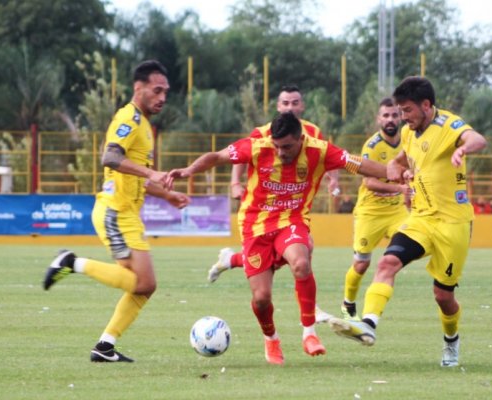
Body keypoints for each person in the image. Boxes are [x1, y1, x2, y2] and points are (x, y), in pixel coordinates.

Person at [166, 112, 387, 365]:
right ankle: (271, 338)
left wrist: (391, 172)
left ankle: (309, 333)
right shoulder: (257, 146)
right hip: (255, 225)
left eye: (288, 147)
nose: (281, 152)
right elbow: (217, 157)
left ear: (301, 139)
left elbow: (356, 164)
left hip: (292, 220)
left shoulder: (320, 150)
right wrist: (188, 170)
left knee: (301, 263)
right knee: (261, 299)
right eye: (277, 146)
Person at [329, 76, 487, 368]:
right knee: (386, 263)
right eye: (399, 111)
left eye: (407, 110)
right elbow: (399, 161)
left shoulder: (448, 125)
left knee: (443, 296)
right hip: (421, 219)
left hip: (453, 225)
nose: (403, 117)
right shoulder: (409, 133)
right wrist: (395, 170)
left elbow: (478, 139)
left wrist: (464, 149)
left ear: (426, 105)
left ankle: (451, 342)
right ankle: (368, 324)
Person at [42, 60, 190, 363]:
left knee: (141, 285)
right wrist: (152, 175)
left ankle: (105, 346)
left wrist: (167, 195)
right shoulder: (129, 119)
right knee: (145, 284)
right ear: (139, 88)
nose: (162, 97)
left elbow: (135, 175)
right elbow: (109, 157)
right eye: (157, 90)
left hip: (125, 214)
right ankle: (72, 262)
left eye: (166, 92)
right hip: (116, 212)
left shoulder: (145, 126)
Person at [209, 85, 339, 283]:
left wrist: (334, 178)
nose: (290, 107)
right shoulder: (262, 133)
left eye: (295, 103)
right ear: (278, 106)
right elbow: (242, 155)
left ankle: (233, 259)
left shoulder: (313, 131)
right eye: (285, 103)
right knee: (301, 249)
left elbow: (329, 155)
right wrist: (235, 182)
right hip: (265, 206)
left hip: (293, 204)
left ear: (302, 106)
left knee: (302, 250)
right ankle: (309, 305)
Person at [339, 97, 410, 322]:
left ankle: (378, 295)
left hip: (397, 212)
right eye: (386, 116)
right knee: (361, 264)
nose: (390, 120)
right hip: (370, 212)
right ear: (379, 119)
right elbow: (369, 182)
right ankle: (348, 302)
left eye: (394, 115)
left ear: (400, 117)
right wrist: (401, 188)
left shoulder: (409, 140)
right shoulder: (372, 145)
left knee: (410, 244)